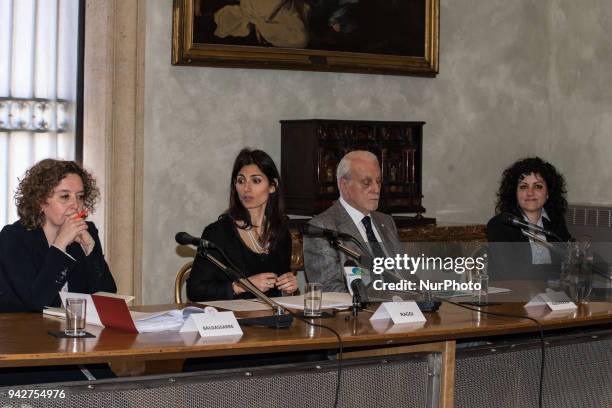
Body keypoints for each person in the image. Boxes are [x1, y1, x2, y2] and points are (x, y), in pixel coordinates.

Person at [0, 159, 117, 312]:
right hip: (24, 331)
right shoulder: (13, 238)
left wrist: (91, 250)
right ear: (40, 201)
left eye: (80, 196)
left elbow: (108, 297)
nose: (76, 205)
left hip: (73, 331)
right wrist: (60, 244)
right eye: (65, 197)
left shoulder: (88, 231)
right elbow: (36, 303)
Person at [186, 148, 298, 301]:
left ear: (272, 186)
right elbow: (195, 290)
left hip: (271, 321)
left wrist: (288, 287)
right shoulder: (218, 233)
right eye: (241, 181)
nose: (246, 188)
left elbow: (277, 294)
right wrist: (241, 286)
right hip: (230, 321)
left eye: (256, 180)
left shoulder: (281, 234)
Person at [303, 150, 401, 292]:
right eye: (366, 182)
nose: (376, 189)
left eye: (378, 181)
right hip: (361, 312)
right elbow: (329, 290)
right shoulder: (321, 228)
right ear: (344, 185)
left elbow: (406, 274)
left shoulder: (386, 221)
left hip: (402, 308)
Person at [486, 157, 572, 280]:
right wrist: (558, 271)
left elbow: (572, 258)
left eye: (538, 186)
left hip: (550, 295)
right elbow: (512, 273)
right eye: (523, 187)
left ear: (548, 193)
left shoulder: (555, 223)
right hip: (513, 296)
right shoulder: (499, 225)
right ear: (514, 193)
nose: (530, 192)